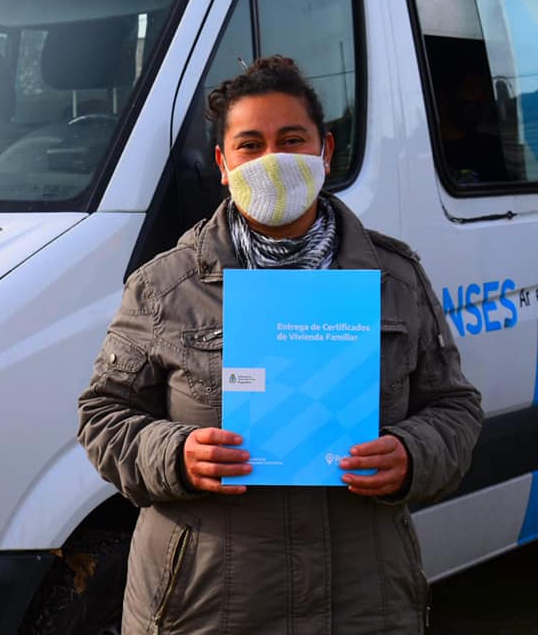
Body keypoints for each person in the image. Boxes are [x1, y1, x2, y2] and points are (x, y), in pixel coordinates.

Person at [77, 55, 483, 634]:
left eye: (292, 140)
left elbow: (455, 407)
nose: (273, 160)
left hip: (362, 602)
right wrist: (176, 454)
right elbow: (103, 416)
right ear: (223, 164)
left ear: (325, 152)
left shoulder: (394, 278)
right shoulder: (165, 286)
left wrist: (413, 453)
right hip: (206, 605)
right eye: (250, 144)